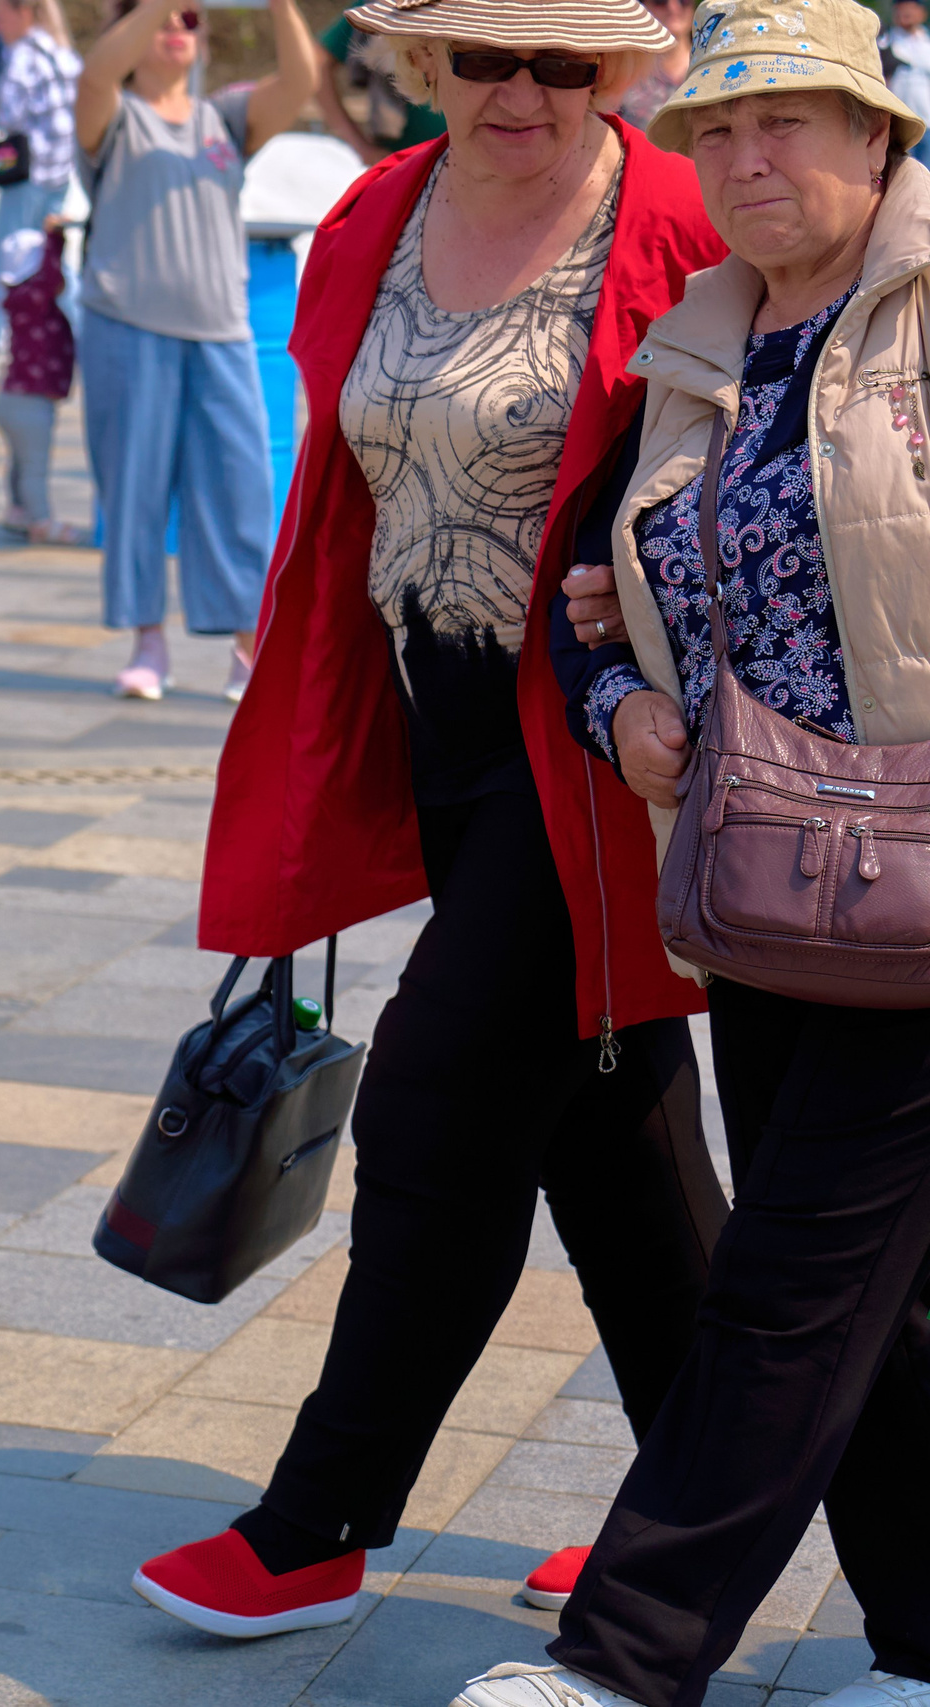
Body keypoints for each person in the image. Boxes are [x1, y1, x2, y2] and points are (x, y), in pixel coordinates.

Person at [157, 0, 737, 1646]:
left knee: (432, 1107)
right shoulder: (372, 211)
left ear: (618, 74)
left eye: (567, 62)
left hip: (610, 739)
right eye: (490, 56)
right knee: (610, 1126)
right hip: (436, 720)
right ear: (431, 65)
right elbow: (347, 451)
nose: (526, 92)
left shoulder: (680, 217)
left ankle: (319, 1515)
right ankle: (694, 1513)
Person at [456, 8, 930, 1706]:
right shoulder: (707, 334)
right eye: (721, 131)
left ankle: (624, 1658)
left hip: (922, 886)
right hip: (768, 869)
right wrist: (618, 706)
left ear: (878, 139)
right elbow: (596, 569)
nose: (749, 164)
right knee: (881, 1293)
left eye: (792, 126)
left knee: (788, 1283)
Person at [75, 0, 317, 703]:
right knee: (134, 492)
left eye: (190, 18)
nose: (180, 29)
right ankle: (146, 641)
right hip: (127, 325)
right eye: (165, 19)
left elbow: (301, 81)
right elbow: (95, 74)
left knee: (241, 492)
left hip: (222, 331)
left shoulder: (226, 118)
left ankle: (245, 646)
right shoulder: (114, 116)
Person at [0, 0, 79, 360]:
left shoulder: (24, 55)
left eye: (1, 16)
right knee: (52, 257)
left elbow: (10, 115)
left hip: (27, 172)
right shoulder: (63, 53)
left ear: (24, 11)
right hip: (60, 171)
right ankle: (76, 327)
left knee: (8, 254)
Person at [0, 222, 79, 543]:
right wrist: (56, 239)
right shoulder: (36, 298)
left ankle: (17, 509)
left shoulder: (21, 299)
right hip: (29, 401)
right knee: (34, 467)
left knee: (20, 461)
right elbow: (50, 277)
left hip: (12, 400)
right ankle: (41, 521)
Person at [315, 1, 445, 162]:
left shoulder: (471, 11)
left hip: (466, 158)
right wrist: (359, 145)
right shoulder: (380, 6)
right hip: (399, 163)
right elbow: (317, 63)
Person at [615, 0, 691, 140]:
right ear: (642, 8)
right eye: (660, 1)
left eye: (684, 1)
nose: (674, 8)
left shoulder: (713, 69)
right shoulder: (623, 74)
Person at [887, 0, 930, 166]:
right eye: (901, 6)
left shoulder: (926, 42)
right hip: (898, 123)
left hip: (926, 120)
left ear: (922, 12)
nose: (905, 11)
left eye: (911, 7)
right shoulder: (886, 41)